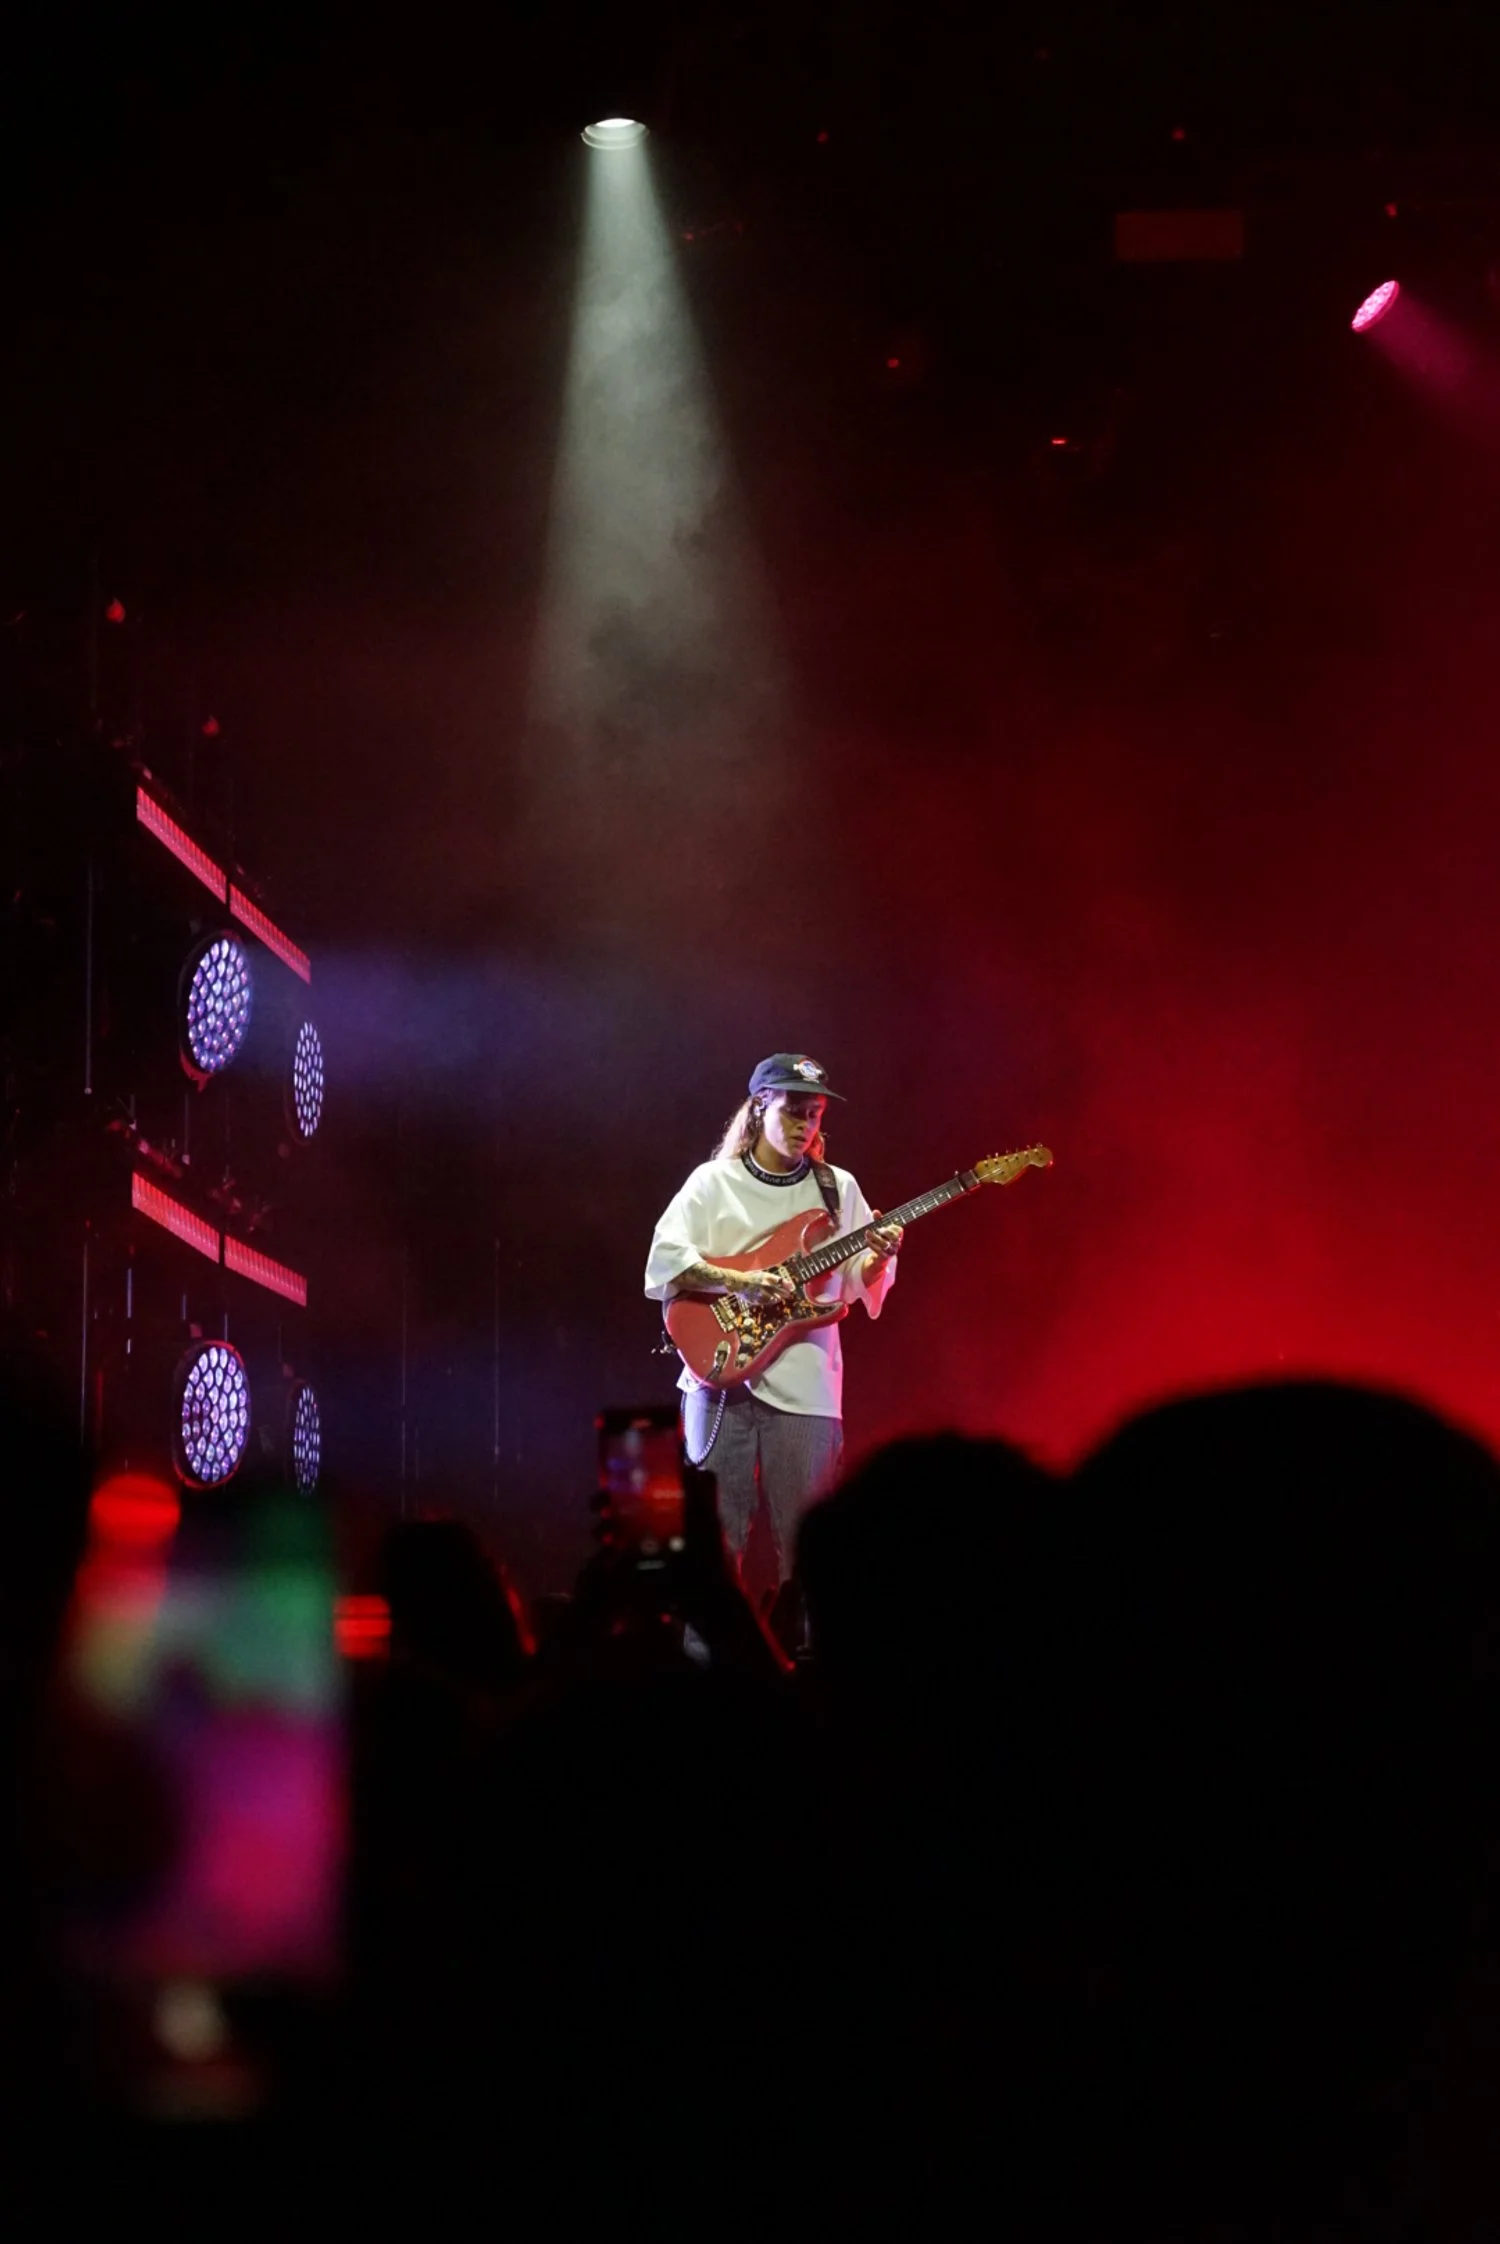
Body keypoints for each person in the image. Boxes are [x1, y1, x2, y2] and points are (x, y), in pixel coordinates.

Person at [644, 1053, 901, 1587]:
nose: (805, 1125)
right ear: (761, 1105)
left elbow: (855, 1282)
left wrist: (875, 1261)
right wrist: (740, 1282)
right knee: (710, 1551)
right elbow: (663, 1262)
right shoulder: (712, 1182)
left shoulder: (838, 1188)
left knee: (812, 1552)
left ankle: (807, 1642)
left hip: (806, 1386)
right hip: (718, 1377)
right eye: (793, 1111)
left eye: (814, 1114)